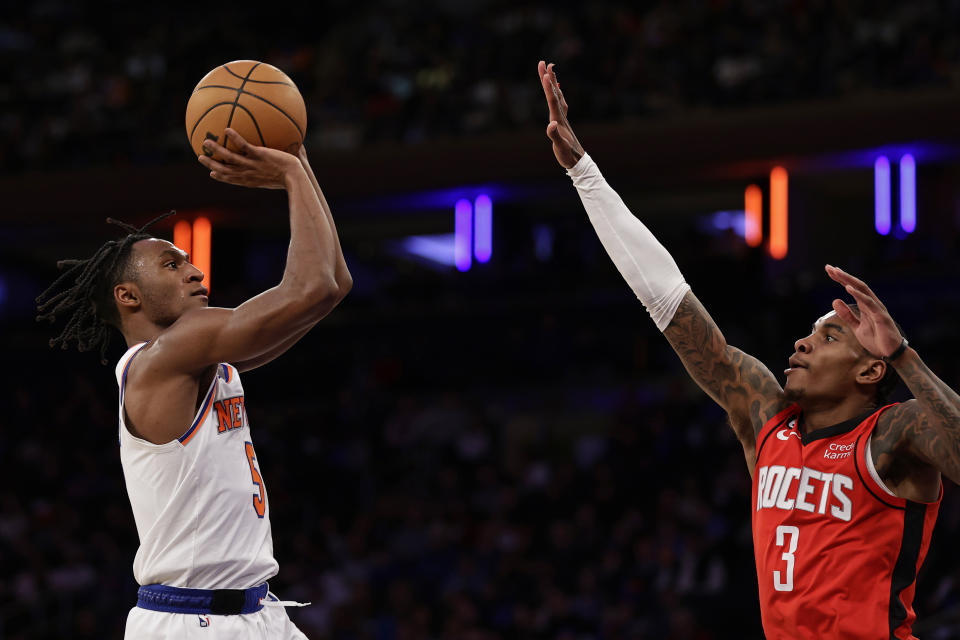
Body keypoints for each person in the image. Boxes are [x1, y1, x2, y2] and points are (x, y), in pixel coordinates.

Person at [538, 60, 960, 639]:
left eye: (828, 336)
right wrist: (585, 174)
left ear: (869, 370)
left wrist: (907, 357)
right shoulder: (768, 418)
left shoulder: (896, 432)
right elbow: (669, 302)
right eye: (811, 333)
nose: (802, 342)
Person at [36, 128, 352, 639]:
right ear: (128, 296)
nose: (194, 269)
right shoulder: (168, 355)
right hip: (191, 622)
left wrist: (299, 161)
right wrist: (291, 174)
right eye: (171, 263)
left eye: (187, 260)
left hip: (259, 612)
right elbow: (310, 285)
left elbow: (333, 286)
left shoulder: (201, 359)